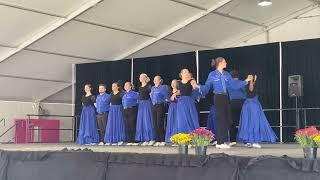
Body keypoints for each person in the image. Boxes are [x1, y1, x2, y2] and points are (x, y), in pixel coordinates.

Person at [193, 57, 252, 149]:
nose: (226, 63)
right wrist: (198, 86)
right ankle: (220, 142)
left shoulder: (227, 74)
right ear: (219, 63)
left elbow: (234, 84)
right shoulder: (212, 74)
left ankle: (223, 141)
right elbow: (207, 86)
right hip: (218, 97)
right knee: (221, 119)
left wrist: (245, 81)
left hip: (225, 97)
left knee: (228, 119)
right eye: (224, 62)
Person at [237, 75, 278, 148]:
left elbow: (252, 89)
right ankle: (253, 141)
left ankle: (249, 141)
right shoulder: (248, 84)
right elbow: (251, 90)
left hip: (250, 105)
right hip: (252, 105)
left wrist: (253, 81)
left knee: (249, 123)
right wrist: (251, 80)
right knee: (253, 123)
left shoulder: (251, 84)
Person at [175, 69, 200, 134]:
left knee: (191, 118)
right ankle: (183, 137)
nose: (187, 73)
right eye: (185, 72)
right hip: (180, 103)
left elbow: (195, 87)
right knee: (182, 119)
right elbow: (179, 91)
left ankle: (193, 136)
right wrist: (174, 94)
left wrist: (195, 86)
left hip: (189, 102)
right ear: (181, 74)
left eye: (188, 72)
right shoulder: (178, 83)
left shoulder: (191, 80)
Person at [135, 73, 155, 146]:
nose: (140, 78)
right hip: (141, 105)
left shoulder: (149, 86)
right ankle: (144, 138)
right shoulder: (140, 87)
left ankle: (151, 138)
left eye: (141, 77)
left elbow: (152, 96)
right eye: (139, 77)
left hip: (147, 104)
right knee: (142, 121)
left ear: (145, 78)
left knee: (148, 121)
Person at [228, 70, 246, 146]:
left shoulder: (228, 84)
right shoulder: (242, 83)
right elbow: (246, 92)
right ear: (238, 76)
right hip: (242, 102)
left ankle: (233, 140)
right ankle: (246, 140)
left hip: (232, 102)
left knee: (232, 121)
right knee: (244, 121)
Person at [150, 75, 170, 146]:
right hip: (154, 106)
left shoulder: (163, 88)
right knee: (155, 123)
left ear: (160, 80)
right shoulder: (152, 88)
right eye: (154, 79)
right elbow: (151, 97)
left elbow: (166, 97)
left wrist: (166, 101)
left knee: (160, 123)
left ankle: (162, 139)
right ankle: (157, 139)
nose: (154, 80)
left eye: (156, 79)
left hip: (160, 106)